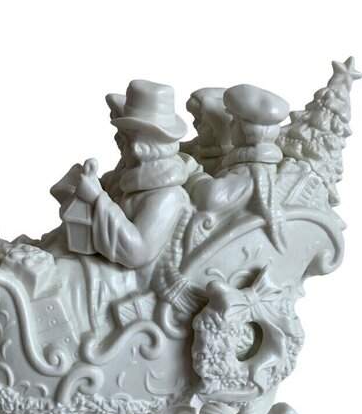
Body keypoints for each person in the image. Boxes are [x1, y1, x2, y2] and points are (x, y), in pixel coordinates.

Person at [68, 79, 191, 280]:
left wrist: (97, 198)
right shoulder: (134, 173)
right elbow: (112, 192)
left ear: (139, 147)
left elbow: (137, 251)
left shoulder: (167, 196)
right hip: (108, 266)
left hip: (135, 278)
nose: (117, 141)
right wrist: (89, 185)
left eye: (124, 137)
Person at [186, 84, 290, 251]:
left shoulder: (253, 170)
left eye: (234, 122)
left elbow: (212, 198)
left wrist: (194, 174)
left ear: (247, 131)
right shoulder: (244, 159)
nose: (229, 126)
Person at [180, 87, 233, 175]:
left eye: (202, 123)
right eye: (196, 119)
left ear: (218, 130)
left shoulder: (227, 161)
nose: (195, 124)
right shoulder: (198, 144)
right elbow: (182, 147)